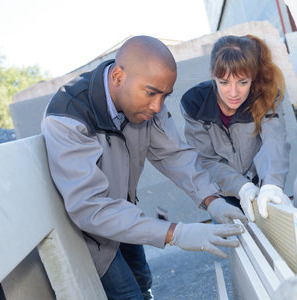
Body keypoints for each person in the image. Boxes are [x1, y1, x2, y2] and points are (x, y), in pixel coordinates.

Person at [41, 35, 247, 300]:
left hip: (124, 212)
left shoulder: (147, 100)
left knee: (143, 280)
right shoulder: (68, 117)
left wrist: (212, 200)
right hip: (90, 230)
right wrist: (177, 233)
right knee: (128, 294)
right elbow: (90, 207)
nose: (158, 106)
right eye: (151, 93)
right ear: (117, 77)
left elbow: (174, 154)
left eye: (165, 96)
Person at [180, 34, 292, 222]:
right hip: (221, 190)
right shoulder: (194, 104)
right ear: (212, 74)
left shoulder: (265, 96)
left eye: (243, 82)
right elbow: (206, 160)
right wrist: (242, 187)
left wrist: (272, 185)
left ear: (253, 76)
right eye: (224, 82)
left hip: (260, 185)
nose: (233, 93)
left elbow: (275, 142)